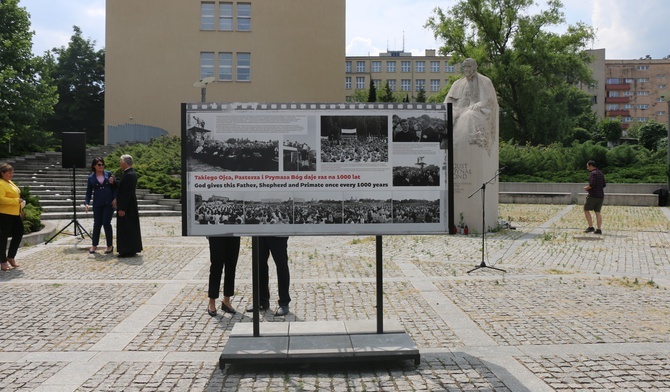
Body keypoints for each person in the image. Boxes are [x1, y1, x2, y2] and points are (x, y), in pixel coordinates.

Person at [444, 58, 498, 155]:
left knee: (469, 115)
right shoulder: (457, 83)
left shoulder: (485, 81)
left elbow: (487, 99)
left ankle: (464, 144)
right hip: (457, 108)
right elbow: (447, 101)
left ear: (474, 67)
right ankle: (448, 146)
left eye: (468, 66)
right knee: (447, 116)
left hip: (472, 109)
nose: (465, 69)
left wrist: (479, 104)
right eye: (464, 66)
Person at [246, 236, 291, 316]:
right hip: (259, 232)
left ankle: (284, 302)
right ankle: (262, 301)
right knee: (259, 265)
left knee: (281, 265)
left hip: (277, 231)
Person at [84, 157, 116, 254]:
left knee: (106, 223)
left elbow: (115, 187)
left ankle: (109, 246)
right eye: (99, 165)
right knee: (97, 224)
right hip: (98, 203)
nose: (101, 166)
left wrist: (115, 198)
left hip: (109, 203)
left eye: (102, 164)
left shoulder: (109, 174)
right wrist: (86, 203)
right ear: (94, 166)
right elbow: (88, 192)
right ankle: (94, 245)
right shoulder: (91, 178)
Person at [114, 154, 143, 257]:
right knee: (129, 227)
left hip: (127, 206)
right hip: (129, 205)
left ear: (124, 163)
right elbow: (123, 186)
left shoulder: (129, 175)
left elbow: (126, 193)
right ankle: (130, 248)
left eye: (120, 162)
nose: (120, 164)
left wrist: (122, 208)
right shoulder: (129, 174)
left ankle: (127, 249)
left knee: (127, 228)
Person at [0, 163, 25, 271]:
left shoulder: (9, 182)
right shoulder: (0, 183)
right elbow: (1, 199)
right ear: (2, 173)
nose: (11, 174)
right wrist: (16, 201)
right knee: (2, 238)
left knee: (19, 232)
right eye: (9, 172)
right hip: (4, 214)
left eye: (12, 172)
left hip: (15, 213)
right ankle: (3, 261)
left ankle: (11, 256)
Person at [207, 236, 240, 316]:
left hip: (234, 233)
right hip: (216, 233)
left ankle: (226, 301)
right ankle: (212, 301)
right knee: (216, 267)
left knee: (231, 266)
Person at [583, 160, 605, 234]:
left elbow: (592, 184)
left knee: (586, 209)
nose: (587, 168)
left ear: (591, 166)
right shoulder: (601, 173)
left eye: (587, 166)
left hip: (593, 196)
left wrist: (587, 188)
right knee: (598, 212)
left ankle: (591, 227)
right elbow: (604, 185)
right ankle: (599, 229)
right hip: (601, 195)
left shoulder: (593, 173)